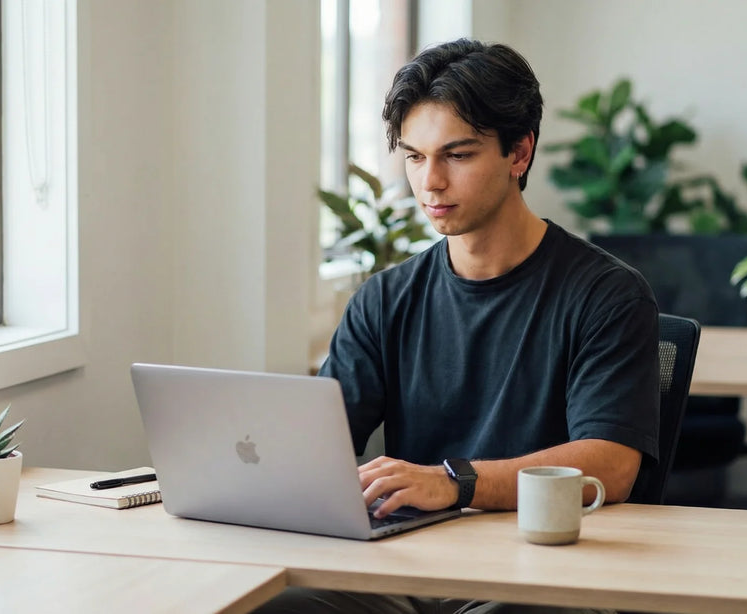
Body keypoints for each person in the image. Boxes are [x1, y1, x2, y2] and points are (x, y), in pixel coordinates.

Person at [255, 38, 659, 614]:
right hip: (406, 566)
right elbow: (317, 447)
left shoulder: (607, 295)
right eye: (415, 157)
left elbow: (612, 466)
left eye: (458, 155)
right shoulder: (384, 299)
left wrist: (454, 482)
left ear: (519, 154)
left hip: (539, 572)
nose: (430, 183)